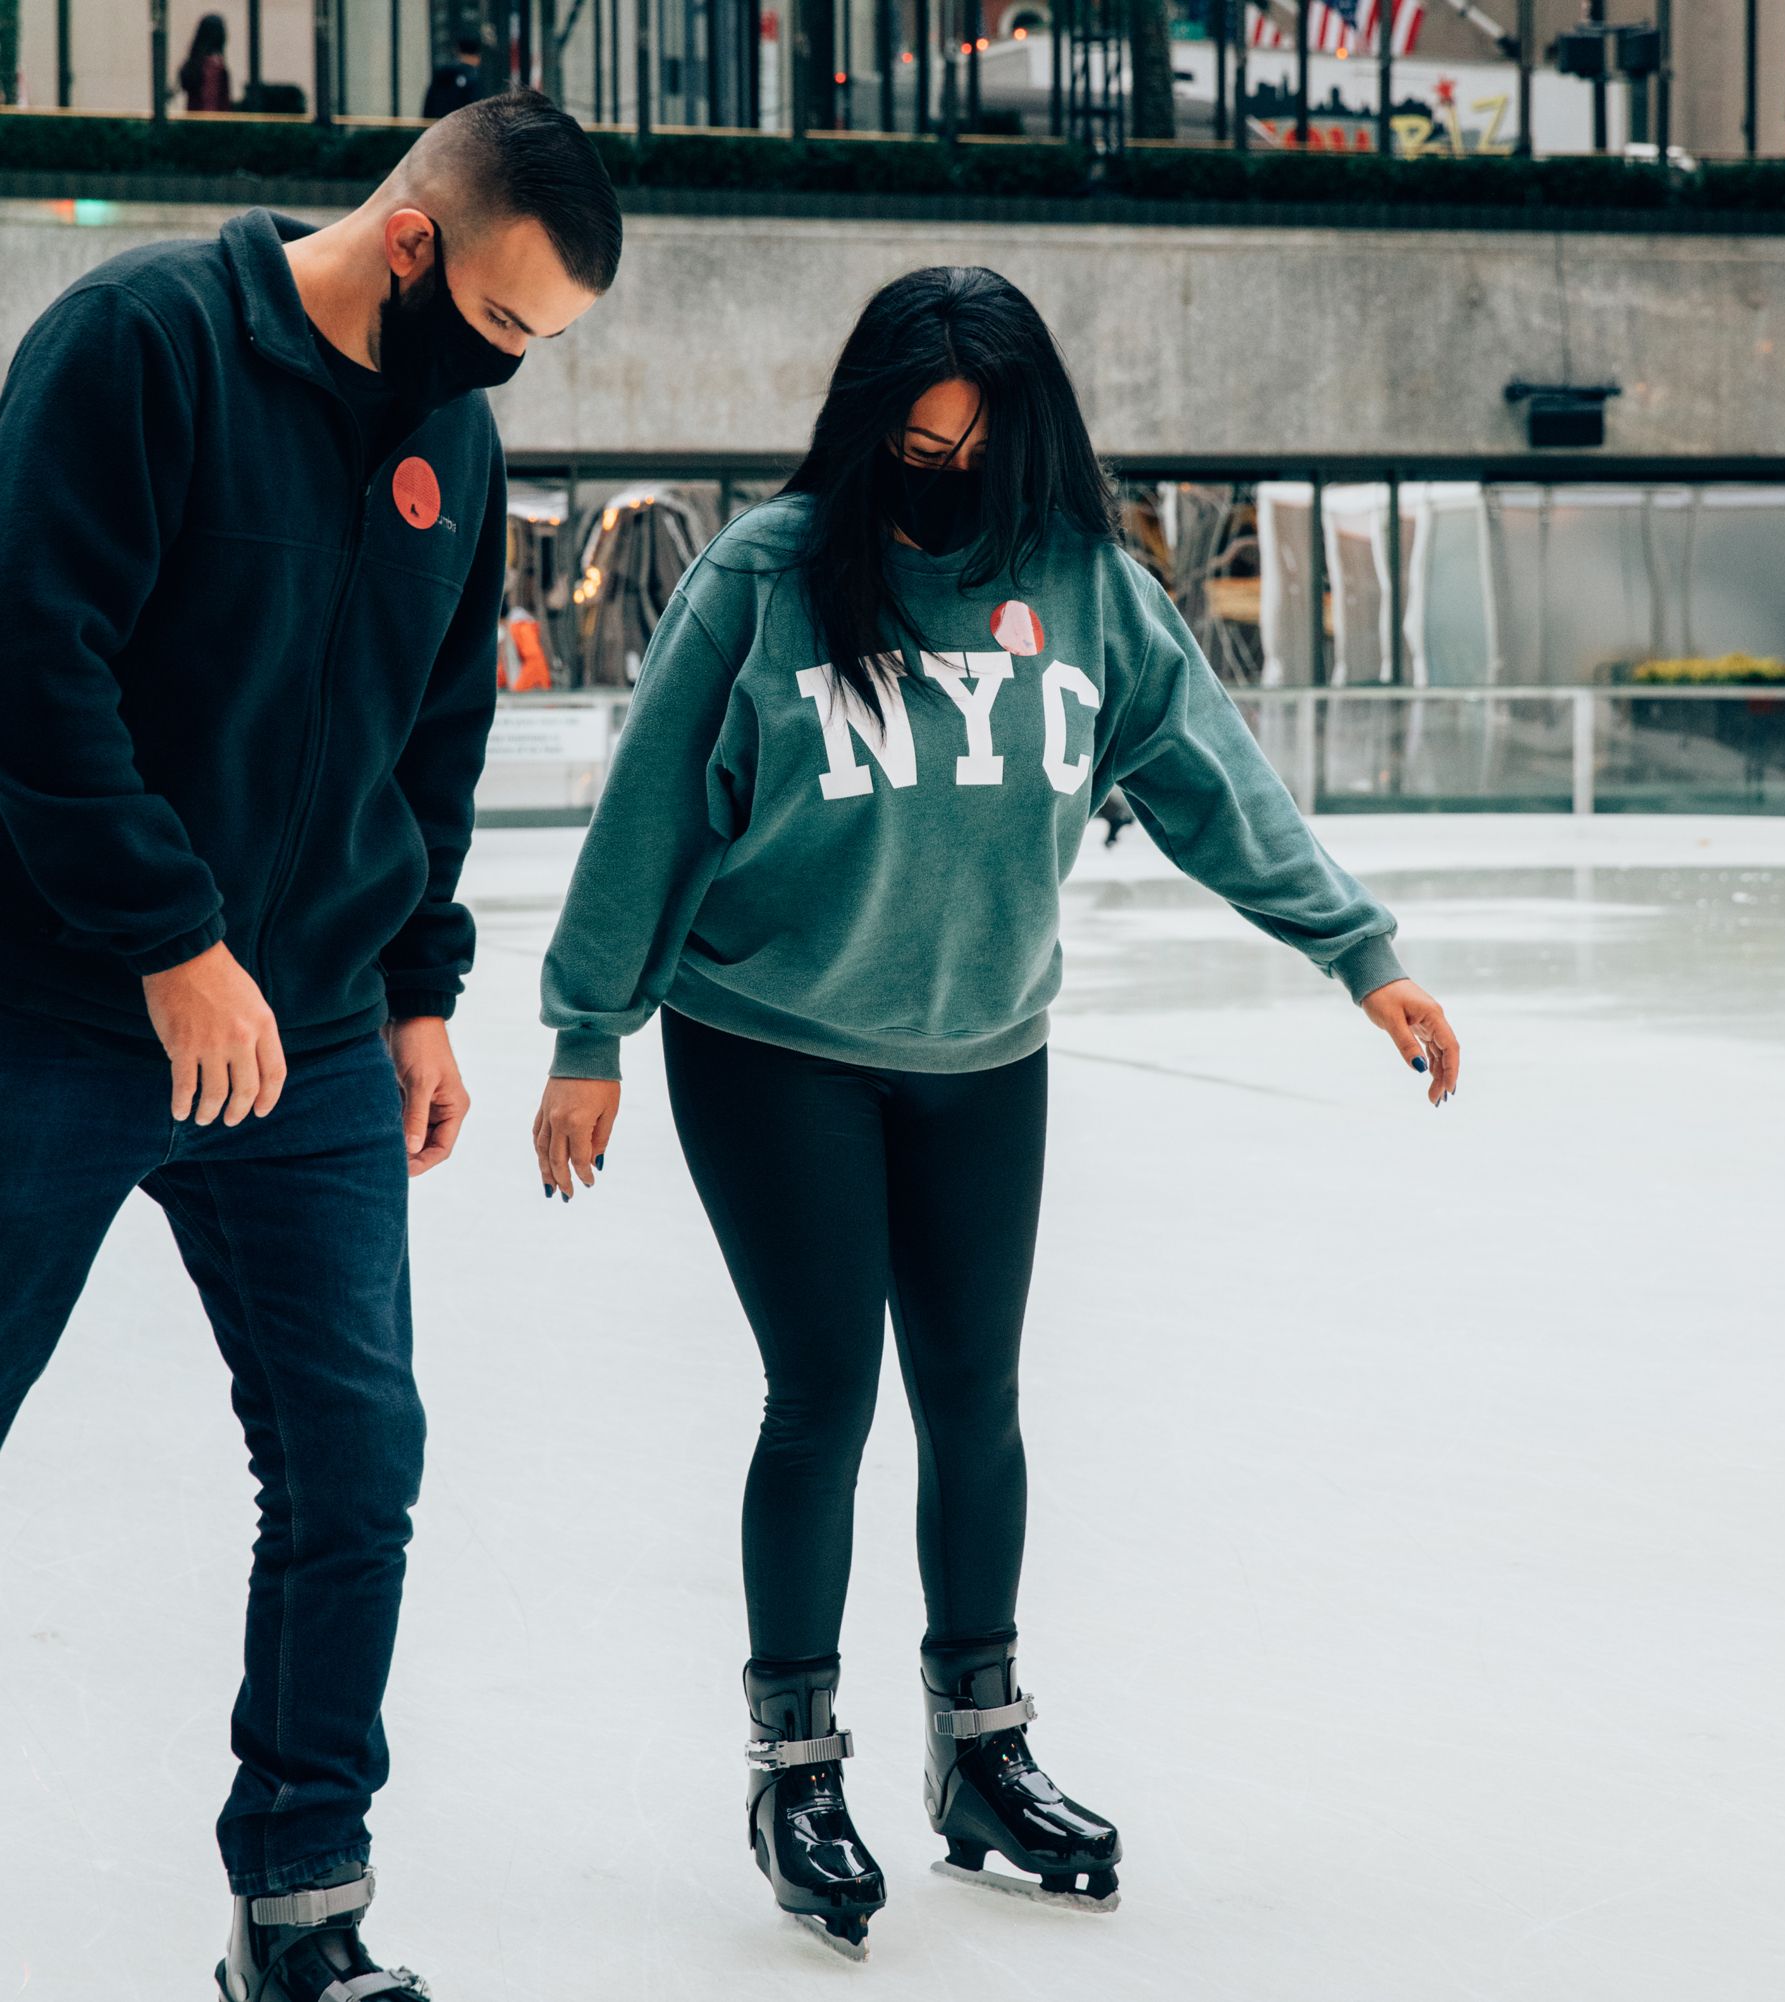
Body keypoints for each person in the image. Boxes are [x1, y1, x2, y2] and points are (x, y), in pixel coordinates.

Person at [532, 265, 1461, 1955]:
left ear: (1029, 433)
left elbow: (1212, 779)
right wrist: (589, 1027)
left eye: (970, 442)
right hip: (771, 1040)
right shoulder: (770, 576)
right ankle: (797, 1765)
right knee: (823, 1395)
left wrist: (1359, 951)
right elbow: (656, 803)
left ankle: (983, 1753)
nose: (938, 471)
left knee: (975, 1398)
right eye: (911, 438)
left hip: (982, 1053)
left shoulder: (1090, 591)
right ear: (867, 424)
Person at [0, 90, 620, 2002]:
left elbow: (436, 747)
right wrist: (175, 940)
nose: (511, 367)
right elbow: (30, 664)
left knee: (354, 1459)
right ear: (415, 243)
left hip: (323, 1049)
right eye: (508, 322)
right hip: (64, 1008)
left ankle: (302, 1906)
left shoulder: (456, 443)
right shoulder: (145, 346)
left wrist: (419, 992)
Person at [179, 12, 233, 112]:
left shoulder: (194, 62)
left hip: (193, 119)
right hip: (211, 122)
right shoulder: (214, 65)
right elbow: (210, 99)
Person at [423, 34, 486, 120]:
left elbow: (428, 106)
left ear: (457, 50)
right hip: (460, 128)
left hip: (436, 127)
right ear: (478, 55)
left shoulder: (442, 74)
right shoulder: (473, 79)